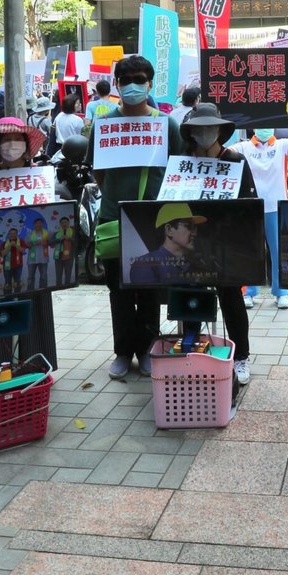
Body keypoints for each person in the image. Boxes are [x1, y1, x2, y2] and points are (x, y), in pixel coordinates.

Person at [90, 55, 180, 381]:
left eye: (139, 80)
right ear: (116, 84)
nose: (132, 86)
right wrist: (115, 196)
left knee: (150, 290)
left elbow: (177, 168)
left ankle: (147, 349)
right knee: (119, 290)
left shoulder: (166, 124)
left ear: (150, 84)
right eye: (125, 81)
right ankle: (122, 352)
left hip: (154, 220)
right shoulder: (104, 125)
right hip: (115, 217)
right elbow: (98, 172)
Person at [177, 102, 256, 384]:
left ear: (221, 131)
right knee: (191, 298)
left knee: (231, 298)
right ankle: (190, 349)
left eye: (211, 128)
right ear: (190, 133)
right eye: (199, 129)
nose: (205, 133)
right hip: (190, 245)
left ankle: (242, 357)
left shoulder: (236, 161)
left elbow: (249, 204)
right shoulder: (182, 163)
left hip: (226, 244)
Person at [0, 118, 61, 370]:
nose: (11, 145)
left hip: (33, 255)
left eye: (17, 140)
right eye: (5, 140)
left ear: (26, 145)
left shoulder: (40, 175)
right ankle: (2, 367)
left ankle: (37, 365)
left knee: (36, 303)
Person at [232, 124, 288, 310]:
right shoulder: (243, 147)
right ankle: (249, 292)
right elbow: (224, 151)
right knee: (251, 251)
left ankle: (281, 292)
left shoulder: (282, 145)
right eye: (260, 125)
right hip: (252, 207)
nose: (263, 128)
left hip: (276, 206)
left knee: (278, 252)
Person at [131, 204, 207, 285]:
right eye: (189, 226)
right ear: (169, 230)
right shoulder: (145, 265)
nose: (194, 234)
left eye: (195, 228)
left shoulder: (192, 266)